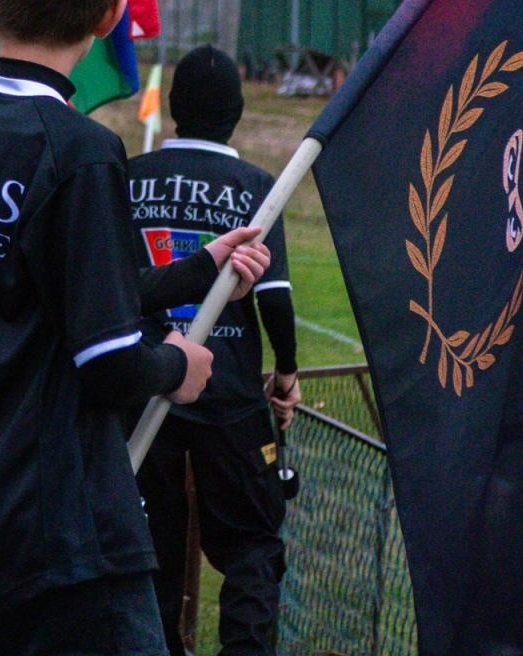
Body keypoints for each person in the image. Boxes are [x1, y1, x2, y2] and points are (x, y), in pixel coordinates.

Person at [0, 0, 269, 656]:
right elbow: (106, 360)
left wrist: (191, 269)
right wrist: (179, 368)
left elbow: (46, 297)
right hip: (55, 545)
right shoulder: (81, 153)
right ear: (112, 16)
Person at [128, 44, 299, 656]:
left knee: (153, 541)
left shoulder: (128, 176)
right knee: (253, 540)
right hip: (227, 393)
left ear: (174, 109)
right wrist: (285, 373)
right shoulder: (257, 187)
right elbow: (274, 299)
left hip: (145, 381)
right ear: (237, 112)